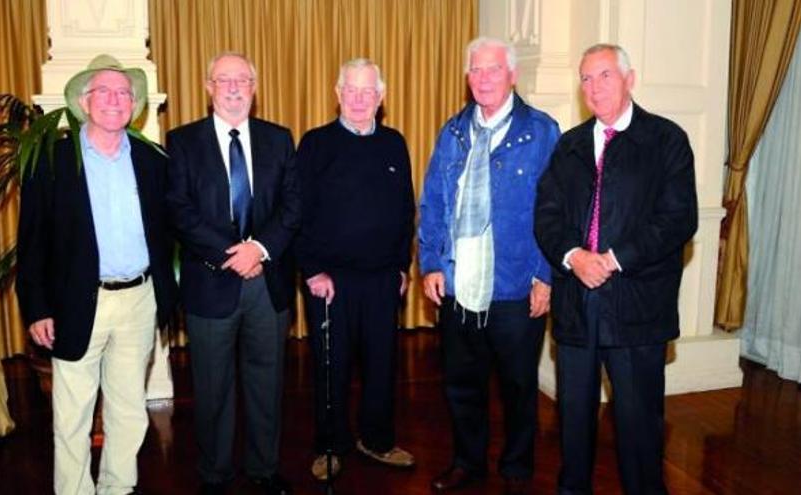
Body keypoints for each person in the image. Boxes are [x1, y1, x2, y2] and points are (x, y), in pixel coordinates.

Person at [534, 44, 698, 495]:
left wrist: (611, 259)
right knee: (573, 423)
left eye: (604, 75)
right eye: (586, 78)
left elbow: (678, 218)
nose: (594, 87)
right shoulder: (568, 145)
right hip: (575, 308)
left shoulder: (667, 140)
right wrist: (574, 256)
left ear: (630, 78)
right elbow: (546, 216)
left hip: (637, 310)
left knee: (638, 427)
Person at [16, 54, 177, 494]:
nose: (114, 100)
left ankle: (117, 488)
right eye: (103, 91)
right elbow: (31, 244)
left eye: (123, 93)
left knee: (129, 410)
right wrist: (37, 307)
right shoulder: (51, 160)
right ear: (85, 102)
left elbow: (169, 232)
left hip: (139, 301)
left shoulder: (152, 161)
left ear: (134, 105)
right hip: (75, 303)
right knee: (72, 415)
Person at [418, 37, 559, 495]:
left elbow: (554, 211)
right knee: (462, 385)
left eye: (493, 69)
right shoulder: (453, 131)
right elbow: (434, 202)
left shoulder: (541, 132)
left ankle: (517, 468)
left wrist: (545, 275)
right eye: (475, 70)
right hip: (460, 284)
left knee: (519, 386)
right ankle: (467, 462)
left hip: (516, 285)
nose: (483, 78)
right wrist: (432, 263)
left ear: (512, 74)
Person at [166, 52, 298, 495]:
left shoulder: (279, 139)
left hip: (267, 283)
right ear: (208, 87)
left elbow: (291, 207)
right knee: (213, 387)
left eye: (243, 80)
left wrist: (259, 249)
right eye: (224, 80)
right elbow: (179, 212)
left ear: (255, 87)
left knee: (266, 384)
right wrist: (233, 254)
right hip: (211, 283)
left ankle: (264, 469)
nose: (235, 88)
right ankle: (215, 475)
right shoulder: (182, 141)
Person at [294, 58, 416, 481]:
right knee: (332, 367)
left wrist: (402, 268)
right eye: (352, 90)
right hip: (330, 283)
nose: (360, 99)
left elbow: (406, 211)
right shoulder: (315, 144)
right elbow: (298, 214)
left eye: (369, 91)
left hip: (383, 280)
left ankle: (377, 440)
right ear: (337, 93)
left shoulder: (394, 143)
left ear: (381, 97)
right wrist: (311, 271)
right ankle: (330, 447)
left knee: (383, 367)